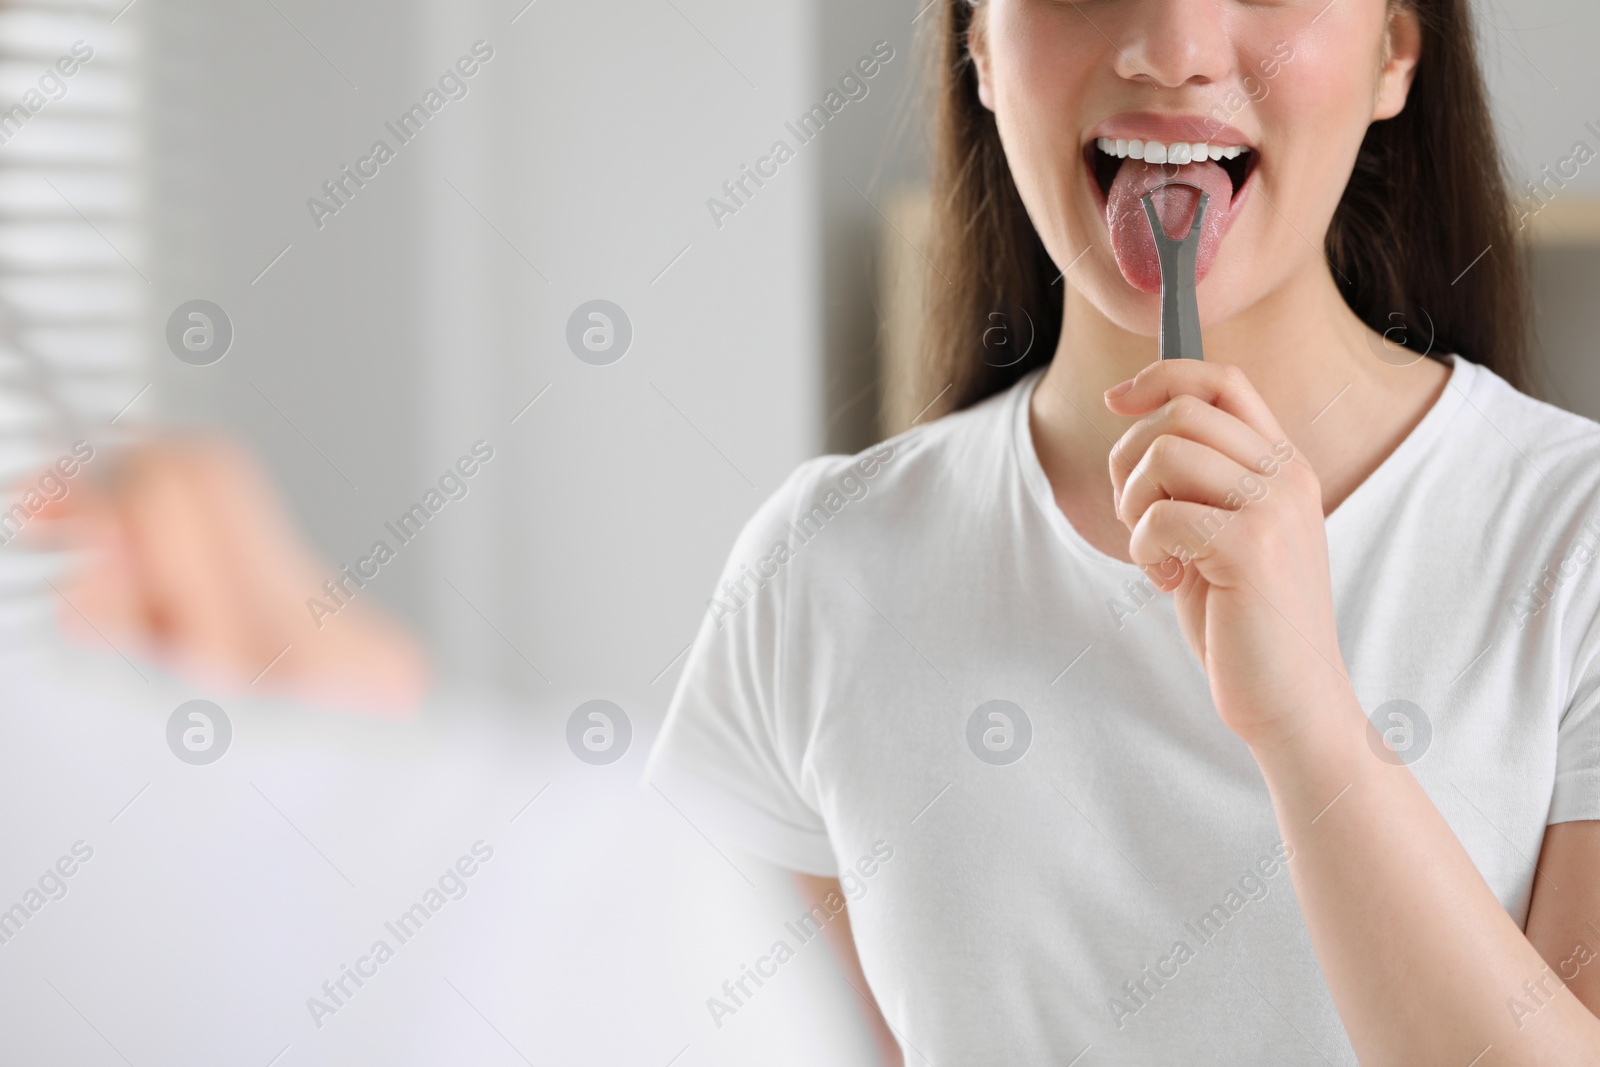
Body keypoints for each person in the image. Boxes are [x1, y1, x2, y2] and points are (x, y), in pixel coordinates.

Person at [647, 0, 1600, 1063]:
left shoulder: (1574, 540)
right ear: (979, 46)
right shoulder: (814, 571)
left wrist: (1309, 726)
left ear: (1396, 51)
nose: (1173, 50)